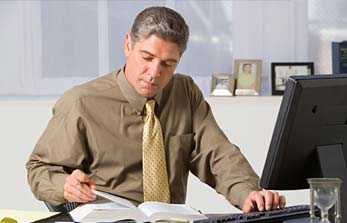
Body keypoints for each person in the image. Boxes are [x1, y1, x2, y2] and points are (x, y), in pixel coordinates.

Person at [26, 6, 285, 213]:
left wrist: (248, 192)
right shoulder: (82, 102)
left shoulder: (184, 91)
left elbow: (217, 154)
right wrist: (65, 186)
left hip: (171, 219)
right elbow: (39, 169)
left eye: (168, 64)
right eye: (147, 58)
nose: (154, 74)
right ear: (128, 45)